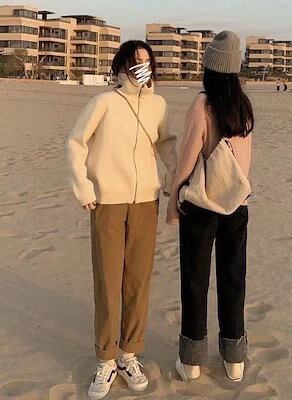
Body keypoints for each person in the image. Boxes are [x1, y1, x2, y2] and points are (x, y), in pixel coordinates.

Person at [66, 40, 177, 399]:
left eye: (147, 61)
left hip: (146, 202)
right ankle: (106, 358)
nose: (142, 67)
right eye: (135, 62)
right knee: (108, 281)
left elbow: (167, 144)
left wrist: (173, 180)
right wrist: (84, 188)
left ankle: (129, 355)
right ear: (121, 66)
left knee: (137, 282)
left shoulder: (158, 104)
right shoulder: (103, 102)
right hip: (107, 202)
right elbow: (76, 143)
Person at [167, 31, 254, 383]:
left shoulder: (203, 104)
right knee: (233, 279)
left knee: (195, 281)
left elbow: (188, 158)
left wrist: (173, 200)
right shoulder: (243, 106)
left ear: (209, 66)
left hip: (202, 208)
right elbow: (244, 163)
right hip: (236, 205)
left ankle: (192, 362)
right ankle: (234, 360)